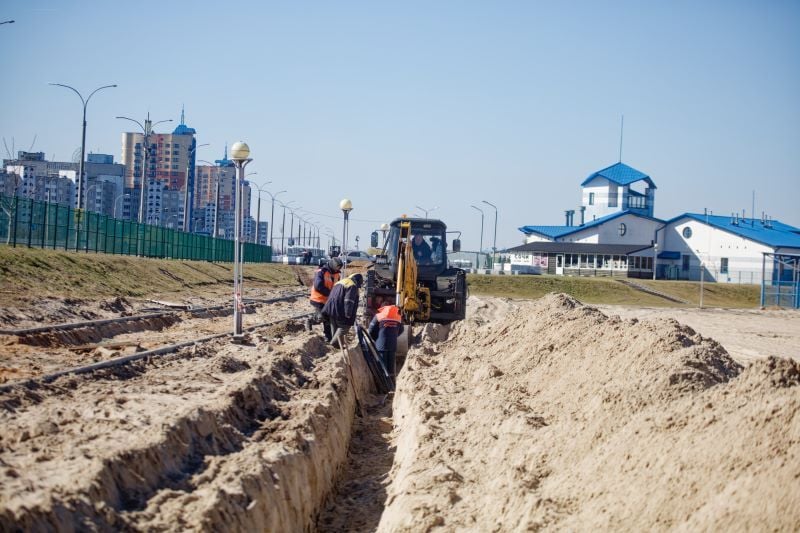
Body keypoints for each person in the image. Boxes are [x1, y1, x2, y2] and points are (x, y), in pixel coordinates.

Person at [322, 272, 364, 346]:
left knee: (334, 329)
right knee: (344, 327)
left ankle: (336, 346)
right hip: (339, 310)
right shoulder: (352, 285)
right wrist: (348, 315)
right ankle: (333, 344)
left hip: (330, 309)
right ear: (357, 281)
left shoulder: (340, 282)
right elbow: (349, 301)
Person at [368, 304, 404, 389]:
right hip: (392, 345)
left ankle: (383, 387)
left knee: (382, 367)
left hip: (381, 346)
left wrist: (376, 338)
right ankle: (391, 386)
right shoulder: (398, 318)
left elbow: (371, 330)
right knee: (390, 367)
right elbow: (401, 330)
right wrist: (394, 336)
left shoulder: (378, 316)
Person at [310, 257, 343, 341]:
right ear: (332, 265)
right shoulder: (321, 272)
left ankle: (328, 337)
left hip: (328, 300)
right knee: (321, 317)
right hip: (318, 299)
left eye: (339, 267)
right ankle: (310, 321)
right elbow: (318, 286)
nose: (338, 269)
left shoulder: (337, 275)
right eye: (337, 267)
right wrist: (330, 293)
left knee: (328, 318)